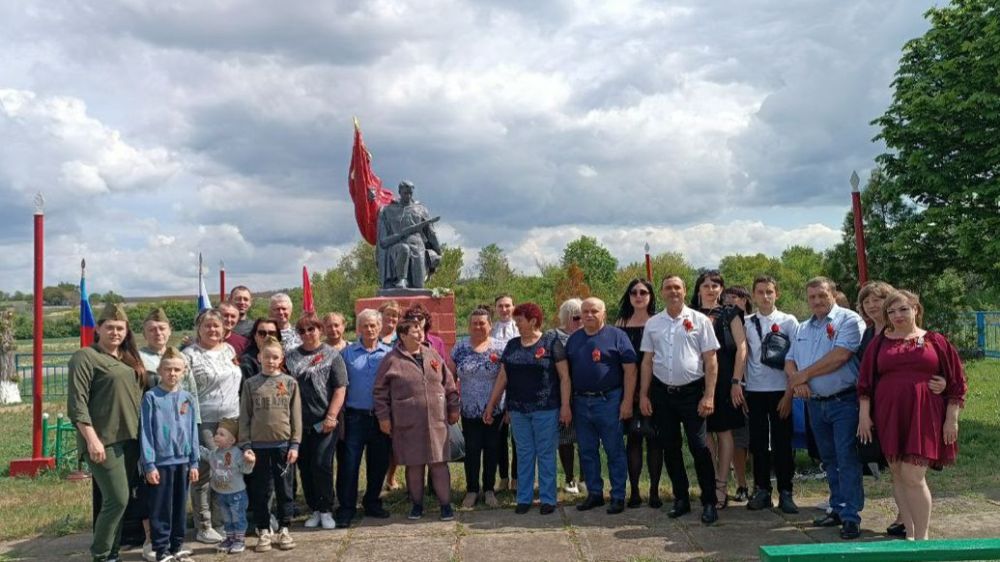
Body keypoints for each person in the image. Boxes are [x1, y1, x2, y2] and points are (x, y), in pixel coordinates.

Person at [857, 290, 967, 541]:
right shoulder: (879, 343)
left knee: (913, 475)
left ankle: (923, 538)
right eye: (892, 311)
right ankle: (909, 533)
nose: (897, 315)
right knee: (897, 473)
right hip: (889, 414)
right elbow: (864, 383)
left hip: (924, 414)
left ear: (916, 309)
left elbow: (957, 382)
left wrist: (952, 418)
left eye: (903, 309)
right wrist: (865, 416)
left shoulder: (935, 341)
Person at [786, 277, 867, 540]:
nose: (817, 301)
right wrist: (798, 382)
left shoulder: (849, 320)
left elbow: (841, 356)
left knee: (846, 458)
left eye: (822, 295)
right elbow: (789, 361)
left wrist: (802, 376)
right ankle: (837, 506)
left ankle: (851, 516)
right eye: (812, 297)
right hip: (815, 404)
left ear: (833, 294)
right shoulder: (802, 327)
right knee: (828, 459)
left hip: (843, 401)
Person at [638, 275, 721, 525]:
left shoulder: (700, 321)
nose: (673, 291)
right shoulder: (653, 323)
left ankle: (709, 501)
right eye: (668, 288)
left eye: (677, 287)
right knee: (670, 448)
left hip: (693, 393)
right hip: (663, 394)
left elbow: (711, 361)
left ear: (685, 291)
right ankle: (681, 499)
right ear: (661, 293)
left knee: (699, 447)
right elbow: (647, 362)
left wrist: (709, 395)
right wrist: (643, 394)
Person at [68, 303, 147, 562]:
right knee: (117, 499)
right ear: (98, 329)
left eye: (120, 328)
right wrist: (91, 439)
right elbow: (77, 403)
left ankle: (113, 553)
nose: (115, 332)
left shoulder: (127, 359)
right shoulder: (85, 357)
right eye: (110, 327)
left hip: (130, 440)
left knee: (121, 502)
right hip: (104, 441)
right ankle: (101, 555)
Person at [484, 303, 571, 515]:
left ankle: (548, 499)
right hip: (518, 410)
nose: (517, 324)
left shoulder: (551, 342)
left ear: (532, 321)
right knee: (524, 454)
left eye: (519, 320)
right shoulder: (513, 345)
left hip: (546, 408)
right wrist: (492, 404)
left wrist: (566, 406)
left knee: (545, 453)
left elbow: (564, 377)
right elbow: (503, 377)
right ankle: (524, 498)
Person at [373, 317, 461, 521]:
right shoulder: (392, 359)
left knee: (439, 463)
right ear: (402, 336)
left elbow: (449, 384)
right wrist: (383, 418)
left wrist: (453, 406)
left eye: (420, 330)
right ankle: (417, 505)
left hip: (437, 421)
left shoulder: (433, 354)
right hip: (408, 423)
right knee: (415, 464)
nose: (420, 334)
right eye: (414, 331)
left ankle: (445, 506)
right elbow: (379, 392)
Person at [138, 308, 199, 561]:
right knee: (161, 507)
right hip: (161, 462)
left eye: (177, 370)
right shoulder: (152, 398)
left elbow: (192, 431)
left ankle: (176, 547)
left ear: (183, 372)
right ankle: (160, 549)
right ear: (160, 371)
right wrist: (149, 463)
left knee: (178, 506)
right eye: (168, 369)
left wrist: (194, 460)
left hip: (182, 460)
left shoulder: (187, 398)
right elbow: (146, 432)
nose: (172, 374)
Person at [566, 297, 637, 514]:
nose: (588, 315)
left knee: (614, 450)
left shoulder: (617, 336)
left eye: (594, 311)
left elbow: (630, 370)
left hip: (609, 401)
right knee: (587, 450)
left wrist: (626, 402)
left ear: (603, 313)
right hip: (581, 402)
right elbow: (566, 374)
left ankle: (617, 496)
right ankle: (595, 494)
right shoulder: (574, 339)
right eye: (584, 312)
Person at [737, 276, 799, 514]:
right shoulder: (746, 322)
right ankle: (762, 490)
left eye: (769, 292)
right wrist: (740, 387)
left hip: (781, 390)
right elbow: (743, 357)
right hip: (755, 391)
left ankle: (786, 492)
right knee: (758, 444)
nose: (765, 296)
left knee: (784, 444)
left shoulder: (788, 321)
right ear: (753, 295)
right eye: (760, 292)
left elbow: (796, 358)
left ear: (777, 294)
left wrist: (789, 393)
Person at [184, 309, 243, 544]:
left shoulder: (229, 350)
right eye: (207, 325)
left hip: (231, 418)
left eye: (216, 326)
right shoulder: (189, 355)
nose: (212, 330)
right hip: (205, 419)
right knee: (207, 472)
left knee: (228, 471)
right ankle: (204, 524)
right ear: (199, 328)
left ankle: (222, 521)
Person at [284, 314, 348, 530]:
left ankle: (326, 509)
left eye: (311, 329)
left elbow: (340, 387)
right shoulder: (290, 357)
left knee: (322, 465)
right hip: (298, 423)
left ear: (320, 330)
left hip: (324, 421)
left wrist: (331, 416)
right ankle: (314, 509)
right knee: (305, 467)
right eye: (302, 331)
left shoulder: (332, 355)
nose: (307, 334)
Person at [691, 271, 747, 511]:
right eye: (706, 285)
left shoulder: (730, 314)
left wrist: (736, 381)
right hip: (695, 381)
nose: (710, 289)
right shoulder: (690, 315)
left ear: (721, 289)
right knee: (704, 434)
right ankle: (711, 480)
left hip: (725, 381)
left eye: (715, 285)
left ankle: (723, 484)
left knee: (724, 432)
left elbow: (742, 347)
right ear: (698, 289)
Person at [239, 337, 302, 552]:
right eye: (267, 357)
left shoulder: (289, 383)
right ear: (259, 357)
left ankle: (284, 528)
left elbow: (296, 417)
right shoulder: (250, 384)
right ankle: (264, 530)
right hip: (258, 448)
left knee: (285, 489)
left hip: (283, 446)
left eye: (275, 357)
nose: (271, 361)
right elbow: (245, 417)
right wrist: (246, 445)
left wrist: (295, 444)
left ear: (281, 358)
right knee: (261, 491)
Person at [336, 309, 393, 528]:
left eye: (373, 325)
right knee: (349, 464)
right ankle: (347, 508)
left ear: (380, 327)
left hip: (380, 417)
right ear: (358, 328)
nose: (369, 329)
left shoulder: (388, 354)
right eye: (365, 326)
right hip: (354, 418)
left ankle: (372, 502)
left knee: (378, 463)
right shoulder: (347, 354)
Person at [614, 279, 663, 508]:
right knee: (633, 439)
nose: (638, 295)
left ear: (651, 295)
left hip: (655, 388)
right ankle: (634, 491)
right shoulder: (620, 323)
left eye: (643, 292)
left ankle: (654, 491)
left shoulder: (659, 322)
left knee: (654, 440)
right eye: (633, 292)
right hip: (629, 389)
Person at [452, 306, 506, 508]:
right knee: (472, 450)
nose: (478, 326)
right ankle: (472, 489)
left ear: (490, 325)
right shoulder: (460, 348)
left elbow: (506, 379)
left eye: (482, 323)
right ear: (469, 325)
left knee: (493, 449)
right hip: (469, 411)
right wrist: (453, 405)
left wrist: (499, 407)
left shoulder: (500, 348)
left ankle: (490, 490)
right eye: (474, 323)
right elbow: (450, 378)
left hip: (494, 410)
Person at [200, 420, 255, 554]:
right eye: (216, 433)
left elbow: (246, 470)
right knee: (227, 518)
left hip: (236, 494)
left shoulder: (236, 453)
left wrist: (250, 462)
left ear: (232, 440)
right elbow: (207, 455)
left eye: (221, 434)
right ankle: (230, 539)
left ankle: (239, 540)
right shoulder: (215, 453)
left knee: (237, 518)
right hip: (221, 493)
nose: (216, 436)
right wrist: (195, 447)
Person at [376, 180, 442, 289]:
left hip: (417, 248)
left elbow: (431, 233)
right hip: (396, 247)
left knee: (418, 285)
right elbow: (382, 240)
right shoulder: (388, 210)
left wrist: (439, 252)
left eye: (410, 193)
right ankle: (401, 279)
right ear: (399, 192)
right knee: (404, 248)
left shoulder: (420, 210)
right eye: (405, 193)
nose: (408, 196)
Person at [722, 285, 752, 503]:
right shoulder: (724, 324)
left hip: (760, 387)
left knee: (758, 440)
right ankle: (741, 483)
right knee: (737, 438)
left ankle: (762, 485)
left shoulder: (754, 322)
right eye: (728, 298)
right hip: (735, 387)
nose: (733, 301)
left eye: (738, 297)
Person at [553, 298, 583, 495]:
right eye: (576, 317)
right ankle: (569, 478)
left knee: (587, 440)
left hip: (584, 394)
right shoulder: (554, 337)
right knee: (565, 439)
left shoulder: (590, 334)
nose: (580, 321)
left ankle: (586, 477)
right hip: (562, 394)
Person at [490, 293, 519, 492]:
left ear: (513, 307)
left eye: (507, 305)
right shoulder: (491, 329)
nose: (504, 309)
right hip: (497, 386)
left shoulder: (520, 327)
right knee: (499, 437)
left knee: (518, 437)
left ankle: (517, 477)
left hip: (517, 386)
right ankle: (503, 476)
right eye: (500, 306)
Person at [377, 300, 403, 490]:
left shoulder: (400, 341)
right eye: (388, 314)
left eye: (395, 315)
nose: (392, 319)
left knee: (394, 441)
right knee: (378, 443)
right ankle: (376, 480)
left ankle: (391, 477)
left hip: (395, 397)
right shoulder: (372, 337)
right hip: (376, 397)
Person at [239, 318, 282, 383]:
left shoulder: (283, 359)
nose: (267, 337)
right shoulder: (247, 362)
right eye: (262, 333)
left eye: (272, 333)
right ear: (255, 337)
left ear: (278, 336)